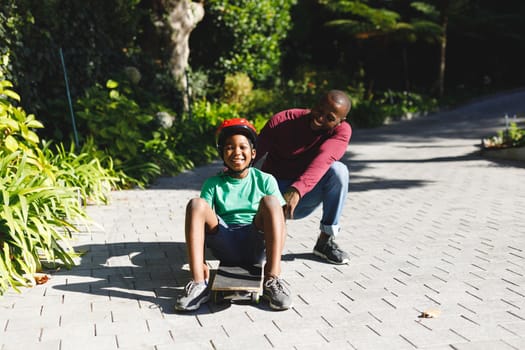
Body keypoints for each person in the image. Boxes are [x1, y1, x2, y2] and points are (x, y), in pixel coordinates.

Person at [175, 118, 292, 311]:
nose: (237, 152)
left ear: (253, 153)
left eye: (243, 147)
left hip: (256, 241)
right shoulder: (213, 183)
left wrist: (276, 255)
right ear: (222, 153)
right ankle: (198, 283)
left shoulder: (265, 180)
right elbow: (203, 222)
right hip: (225, 241)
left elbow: (280, 221)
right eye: (229, 147)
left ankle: (272, 280)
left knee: (271, 201)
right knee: (196, 204)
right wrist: (202, 262)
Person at [255, 90, 352, 265]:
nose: (320, 119)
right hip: (269, 193)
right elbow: (253, 154)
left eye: (329, 118)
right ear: (314, 104)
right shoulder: (283, 120)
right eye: (319, 110)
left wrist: (297, 189)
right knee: (257, 252)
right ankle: (259, 235)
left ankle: (325, 242)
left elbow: (324, 159)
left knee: (339, 172)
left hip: (302, 197)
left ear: (340, 121)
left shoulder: (342, 131)